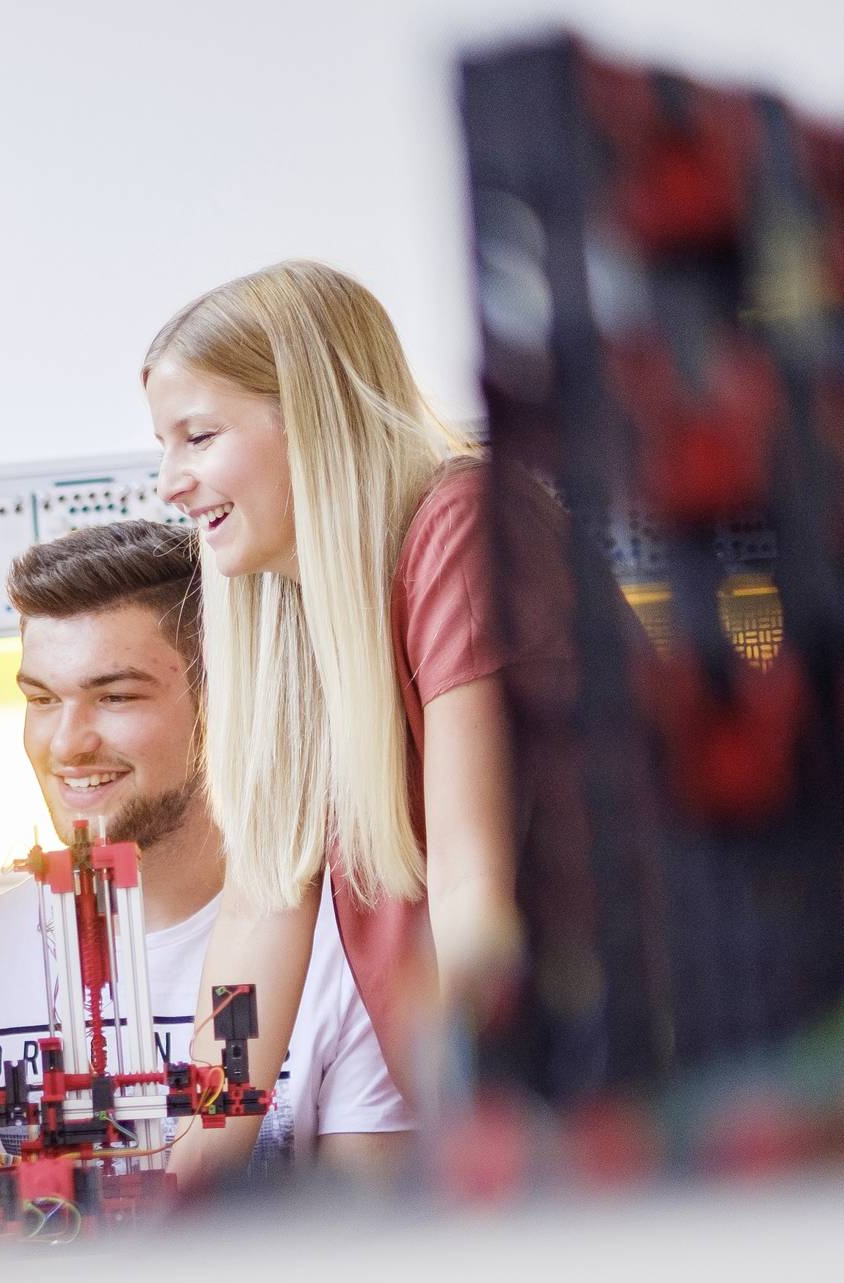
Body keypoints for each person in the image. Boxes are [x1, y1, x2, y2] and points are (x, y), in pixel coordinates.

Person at [141, 260, 579, 1185]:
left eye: (199, 436)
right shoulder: (294, 624)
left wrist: (475, 1136)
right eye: (164, 445)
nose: (171, 482)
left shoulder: (463, 528)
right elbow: (260, 914)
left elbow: (472, 893)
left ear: (311, 412)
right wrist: (182, 1177)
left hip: (582, 1107)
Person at [0, 521, 413, 1182]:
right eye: (42, 699)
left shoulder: (346, 954)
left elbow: (372, 1249)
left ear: (224, 704)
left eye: (116, 696)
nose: (67, 743)